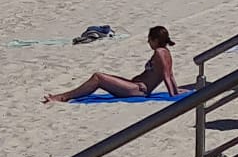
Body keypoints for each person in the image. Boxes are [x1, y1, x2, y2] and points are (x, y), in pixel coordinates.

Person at [44, 26, 180, 103]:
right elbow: (170, 74)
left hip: (138, 90)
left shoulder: (159, 53)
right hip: (136, 87)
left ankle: (64, 96)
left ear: (155, 40)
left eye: (149, 40)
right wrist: (176, 91)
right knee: (103, 77)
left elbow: (166, 75)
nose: (148, 43)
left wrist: (173, 96)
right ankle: (65, 95)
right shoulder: (166, 52)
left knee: (98, 77)